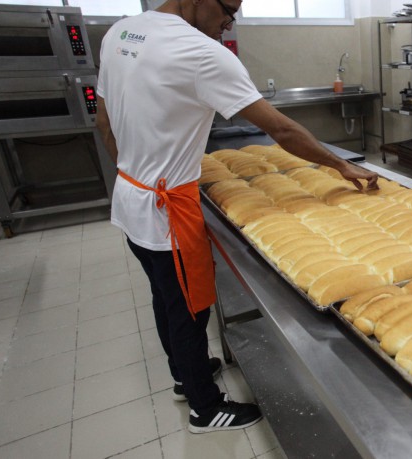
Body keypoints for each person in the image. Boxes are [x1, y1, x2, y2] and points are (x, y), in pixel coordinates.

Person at [95, 0, 379, 434]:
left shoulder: (122, 32)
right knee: (190, 308)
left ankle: (182, 374)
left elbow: (104, 120)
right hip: (167, 210)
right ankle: (204, 409)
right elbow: (281, 130)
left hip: (132, 196)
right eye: (229, 10)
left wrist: (136, 171)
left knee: (164, 295)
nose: (232, 21)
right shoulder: (202, 52)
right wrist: (340, 165)